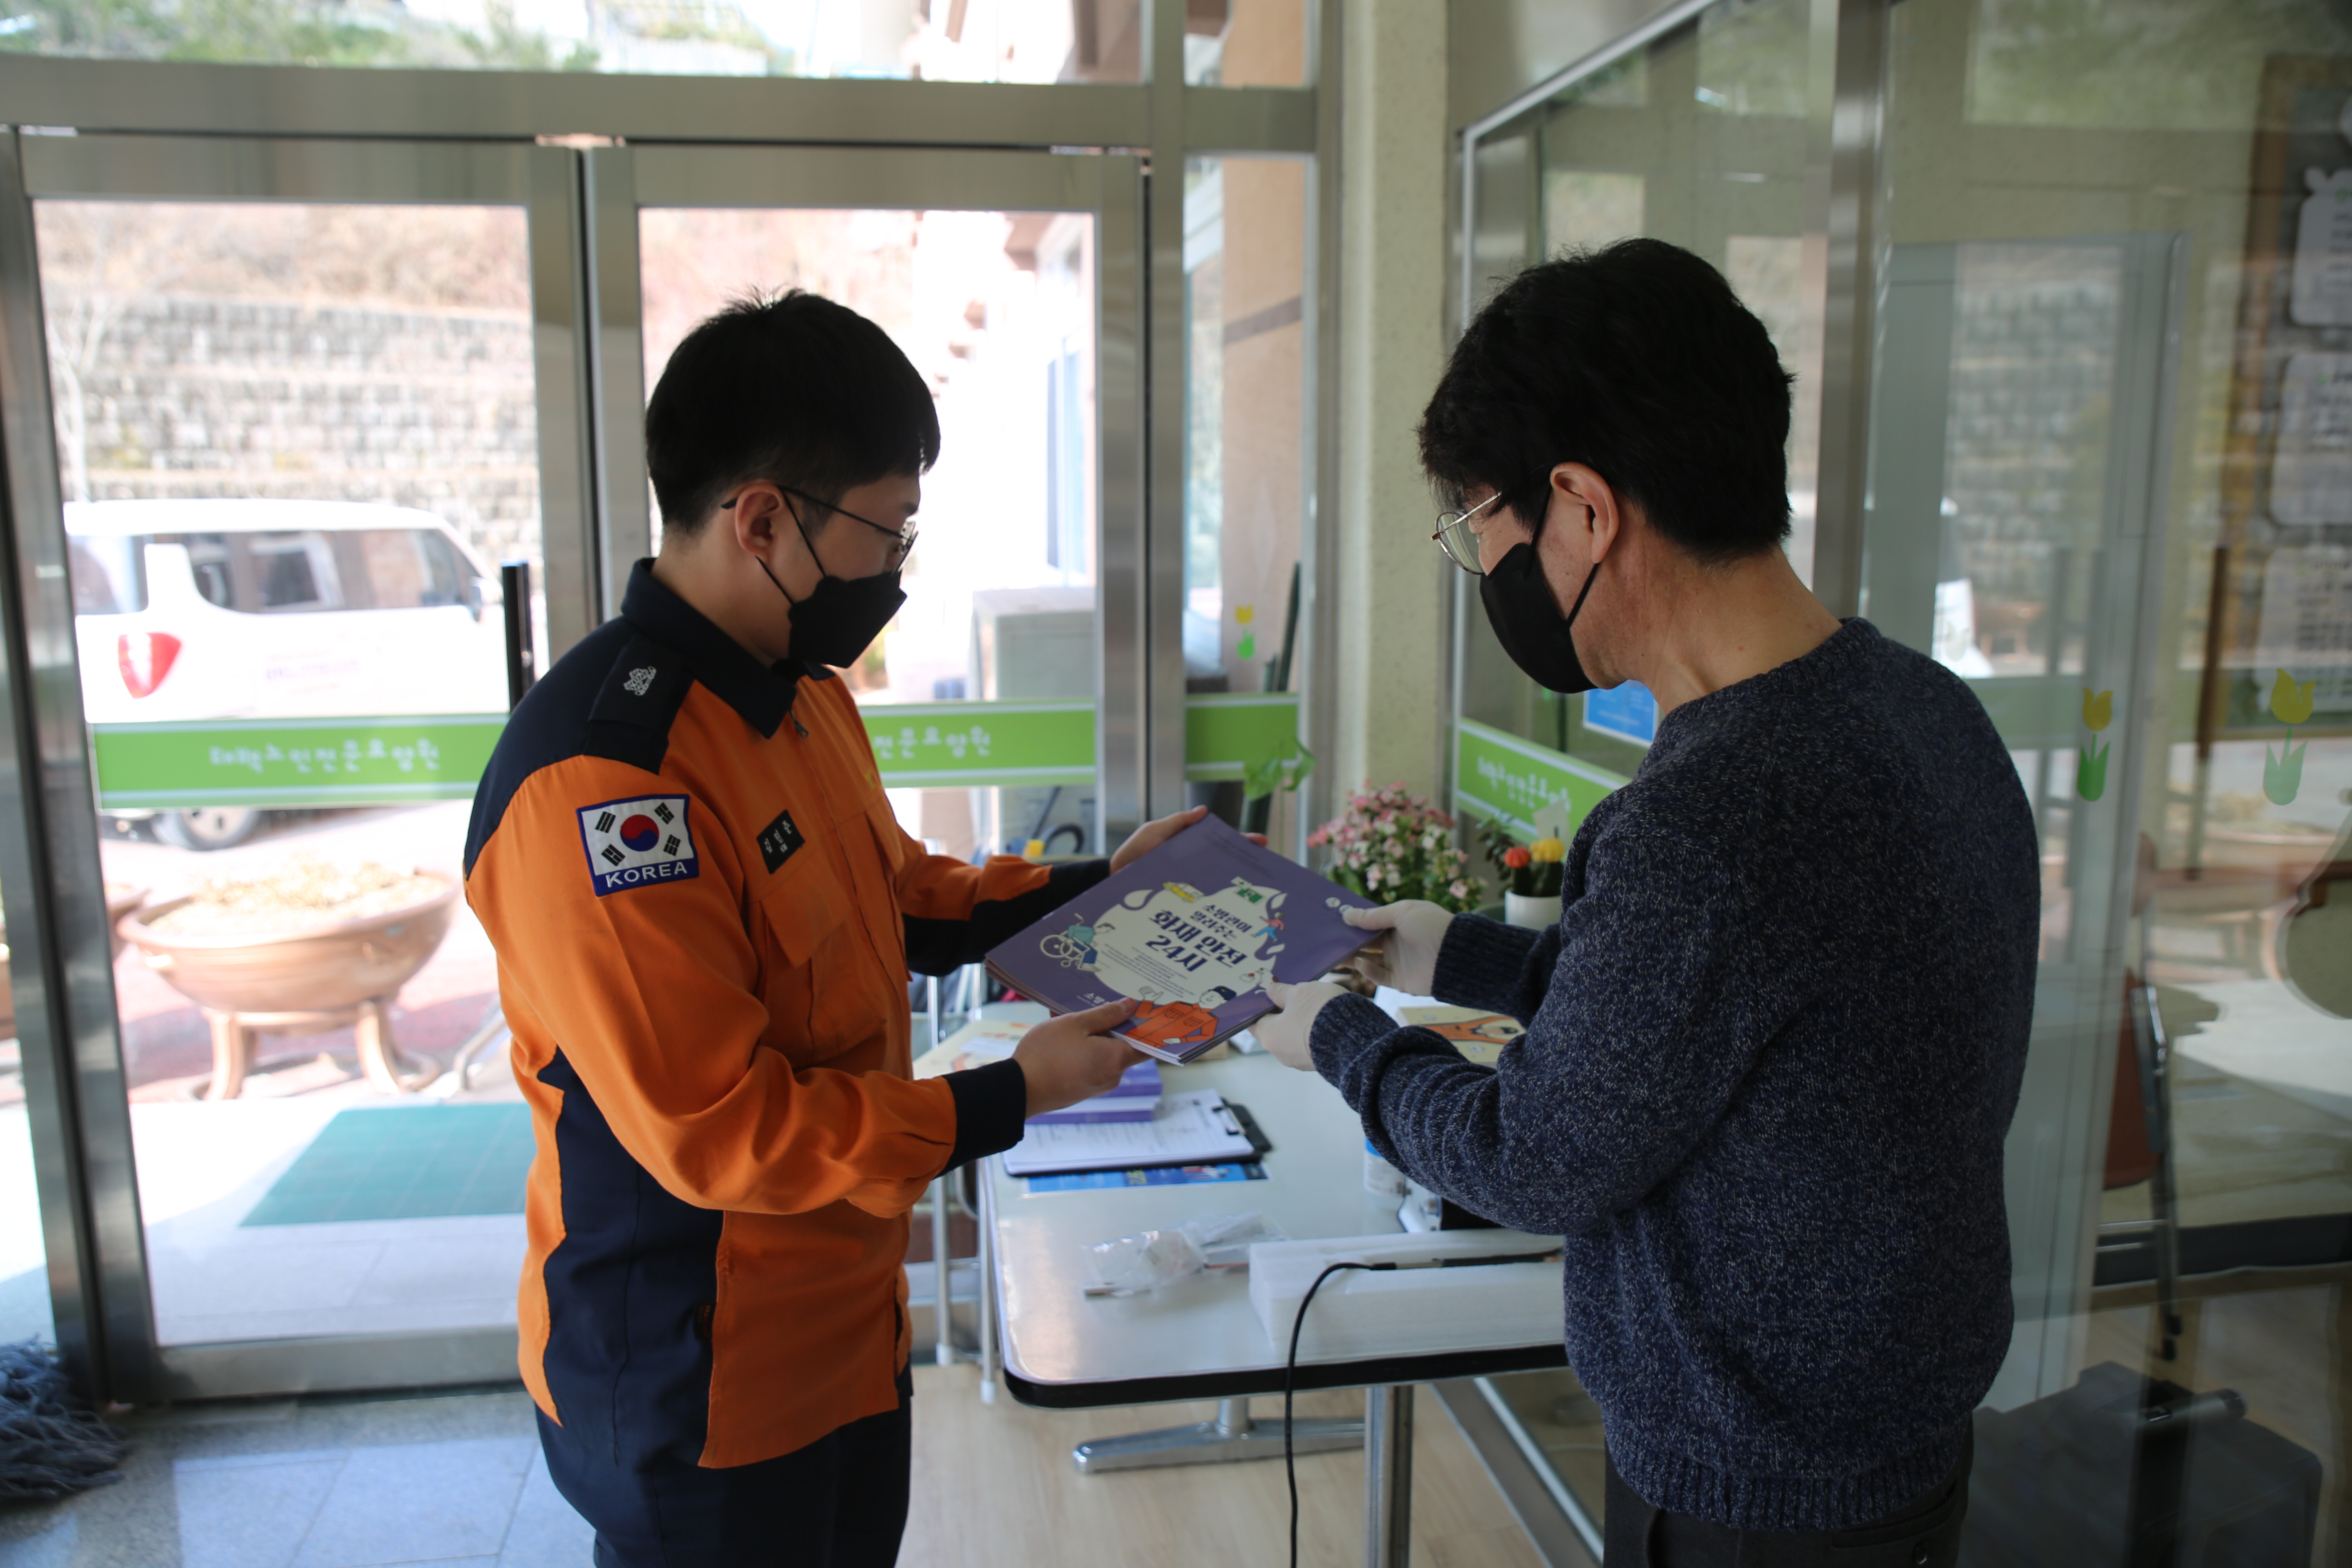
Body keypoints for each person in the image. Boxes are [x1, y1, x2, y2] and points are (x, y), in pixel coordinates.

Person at [1251, 240, 2040, 1568]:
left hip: (1750, 1491)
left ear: (1581, 507)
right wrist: (1455, 952)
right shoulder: (1923, 707)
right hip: (1896, 1438)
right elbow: (1728, 1021)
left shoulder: (1707, 815)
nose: (1488, 576)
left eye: (1482, 534)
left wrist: (1338, 1042)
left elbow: (1538, 1156)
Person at [464, 290, 1201, 1568]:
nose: (895, 570)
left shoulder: (801, 698)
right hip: (701, 1383)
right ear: (761, 520)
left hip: (848, 1327)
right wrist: (1008, 1096)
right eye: (886, 531)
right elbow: (721, 1129)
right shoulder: (608, 782)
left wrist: (1102, 886)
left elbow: (900, 897)